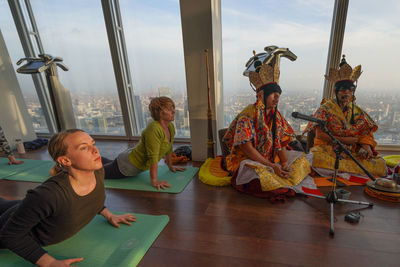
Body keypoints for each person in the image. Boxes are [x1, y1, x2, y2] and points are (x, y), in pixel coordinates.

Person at [0, 129, 136, 266]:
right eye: (84, 148)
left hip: (27, 208)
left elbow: (92, 198)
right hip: (10, 223)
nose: (95, 150)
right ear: (65, 160)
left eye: (93, 144)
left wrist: (109, 215)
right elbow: (10, 235)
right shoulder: (48, 195)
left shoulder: (97, 171)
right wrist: (50, 263)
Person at [223, 47, 311, 195]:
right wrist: (271, 166)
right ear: (261, 95)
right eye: (273, 94)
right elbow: (247, 149)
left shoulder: (276, 115)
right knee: (260, 180)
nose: (277, 98)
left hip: (271, 160)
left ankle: (279, 177)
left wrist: (283, 162)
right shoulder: (247, 115)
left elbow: (281, 142)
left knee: (303, 162)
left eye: (278, 94)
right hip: (249, 161)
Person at [304, 55, 386, 177]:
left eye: (350, 90)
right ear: (335, 92)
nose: (347, 93)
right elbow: (320, 134)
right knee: (316, 158)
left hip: (351, 151)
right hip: (328, 149)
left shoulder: (357, 111)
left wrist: (366, 149)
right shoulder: (325, 109)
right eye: (343, 90)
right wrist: (344, 140)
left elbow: (365, 133)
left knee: (379, 164)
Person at [104, 96, 185, 190]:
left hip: (129, 156)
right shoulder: (153, 129)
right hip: (128, 165)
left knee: (105, 164)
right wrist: (154, 181)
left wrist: (171, 166)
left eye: (173, 108)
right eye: (169, 109)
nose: (173, 111)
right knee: (96, 173)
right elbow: (153, 158)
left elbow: (169, 148)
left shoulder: (170, 127)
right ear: (159, 113)